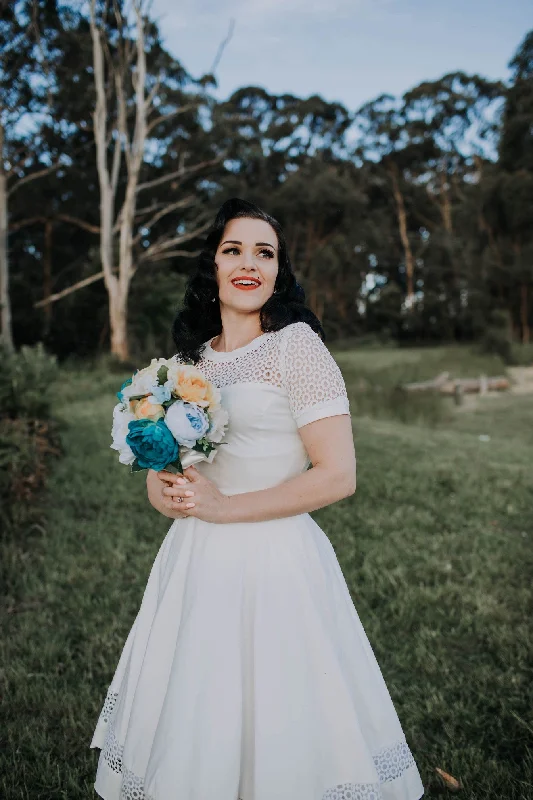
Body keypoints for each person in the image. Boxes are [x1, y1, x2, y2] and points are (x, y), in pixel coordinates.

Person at [90, 197, 425, 800]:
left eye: (264, 253)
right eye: (233, 249)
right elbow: (174, 469)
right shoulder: (188, 364)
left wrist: (226, 509)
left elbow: (338, 475)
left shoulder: (297, 347)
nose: (249, 263)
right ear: (213, 267)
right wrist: (163, 487)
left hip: (276, 561)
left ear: (278, 271)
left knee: (280, 719)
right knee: (199, 710)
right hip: (194, 561)